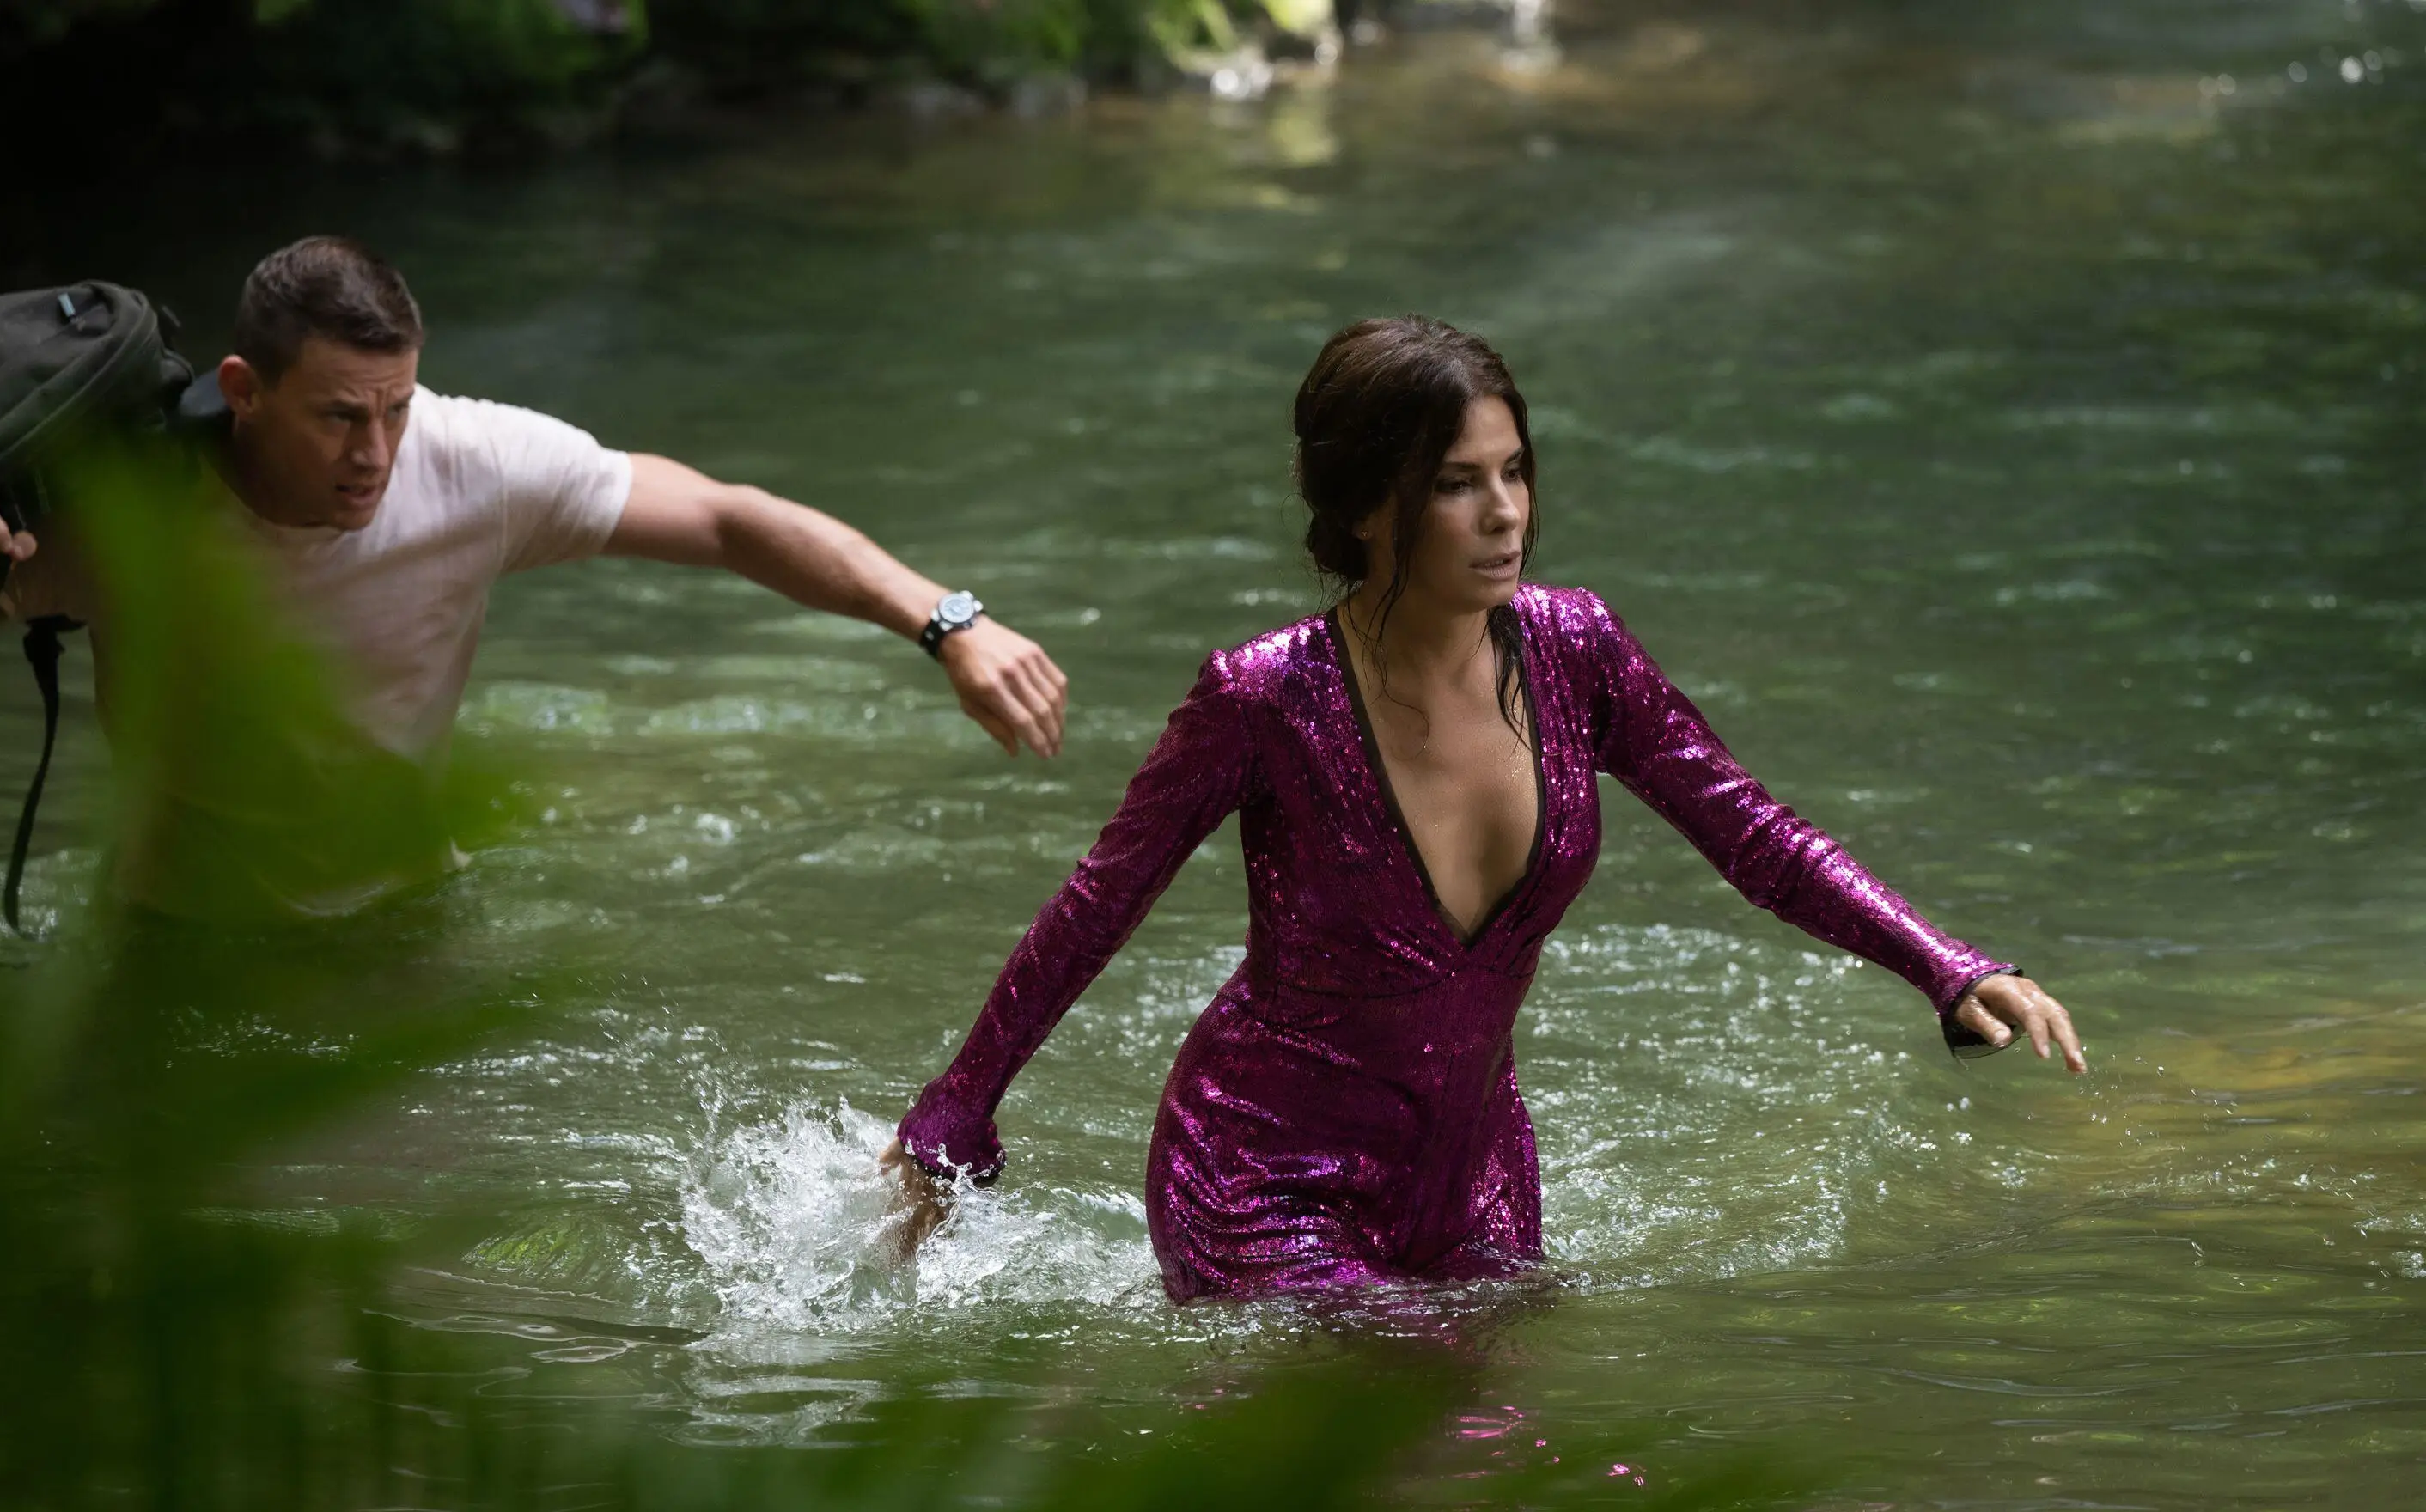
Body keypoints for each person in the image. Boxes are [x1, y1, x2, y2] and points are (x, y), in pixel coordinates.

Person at [882, 314, 2084, 1301]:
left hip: (1473, 1177)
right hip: (1263, 1175)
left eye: (1515, 472)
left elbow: (1754, 835)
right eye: (1458, 484)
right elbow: (1100, 907)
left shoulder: (1578, 651)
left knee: (1520, 1479)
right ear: (1363, 505)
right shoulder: (1261, 699)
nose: (1505, 511)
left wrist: (1944, 964)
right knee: (1435, 1458)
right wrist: (955, 1113)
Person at [0, 235, 1069, 918]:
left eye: (396, 408)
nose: (376, 454)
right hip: (174, 933)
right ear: (242, 392)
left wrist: (943, 619)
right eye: (340, 417)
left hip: (406, 914)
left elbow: (732, 520)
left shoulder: (473, 462)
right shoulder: (131, 515)